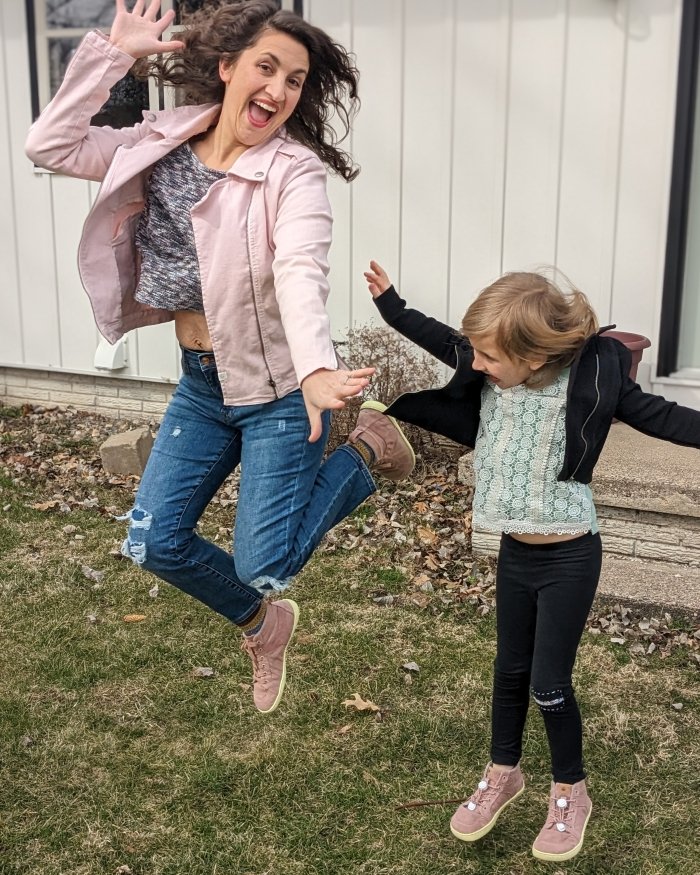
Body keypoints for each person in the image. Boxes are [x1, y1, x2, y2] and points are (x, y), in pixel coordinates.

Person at [24, 0, 416, 715]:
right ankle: (266, 628)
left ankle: (364, 453)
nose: (278, 89)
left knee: (263, 563)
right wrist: (116, 57)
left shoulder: (293, 175)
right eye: (266, 68)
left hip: (277, 391)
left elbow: (301, 270)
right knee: (152, 542)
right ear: (228, 68)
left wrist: (315, 370)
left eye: (295, 80)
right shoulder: (162, 138)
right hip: (202, 385)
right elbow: (49, 146)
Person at [364, 260, 700, 862]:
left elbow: (667, 419)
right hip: (517, 553)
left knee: (548, 682)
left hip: (570, 555)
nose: (476, 365)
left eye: (488, 357)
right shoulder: (494, 370)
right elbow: (441, 337)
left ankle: (571, 790)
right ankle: (503, 773)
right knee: (508, 671)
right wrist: (392, 305)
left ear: (534, 357)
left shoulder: (591, 385)